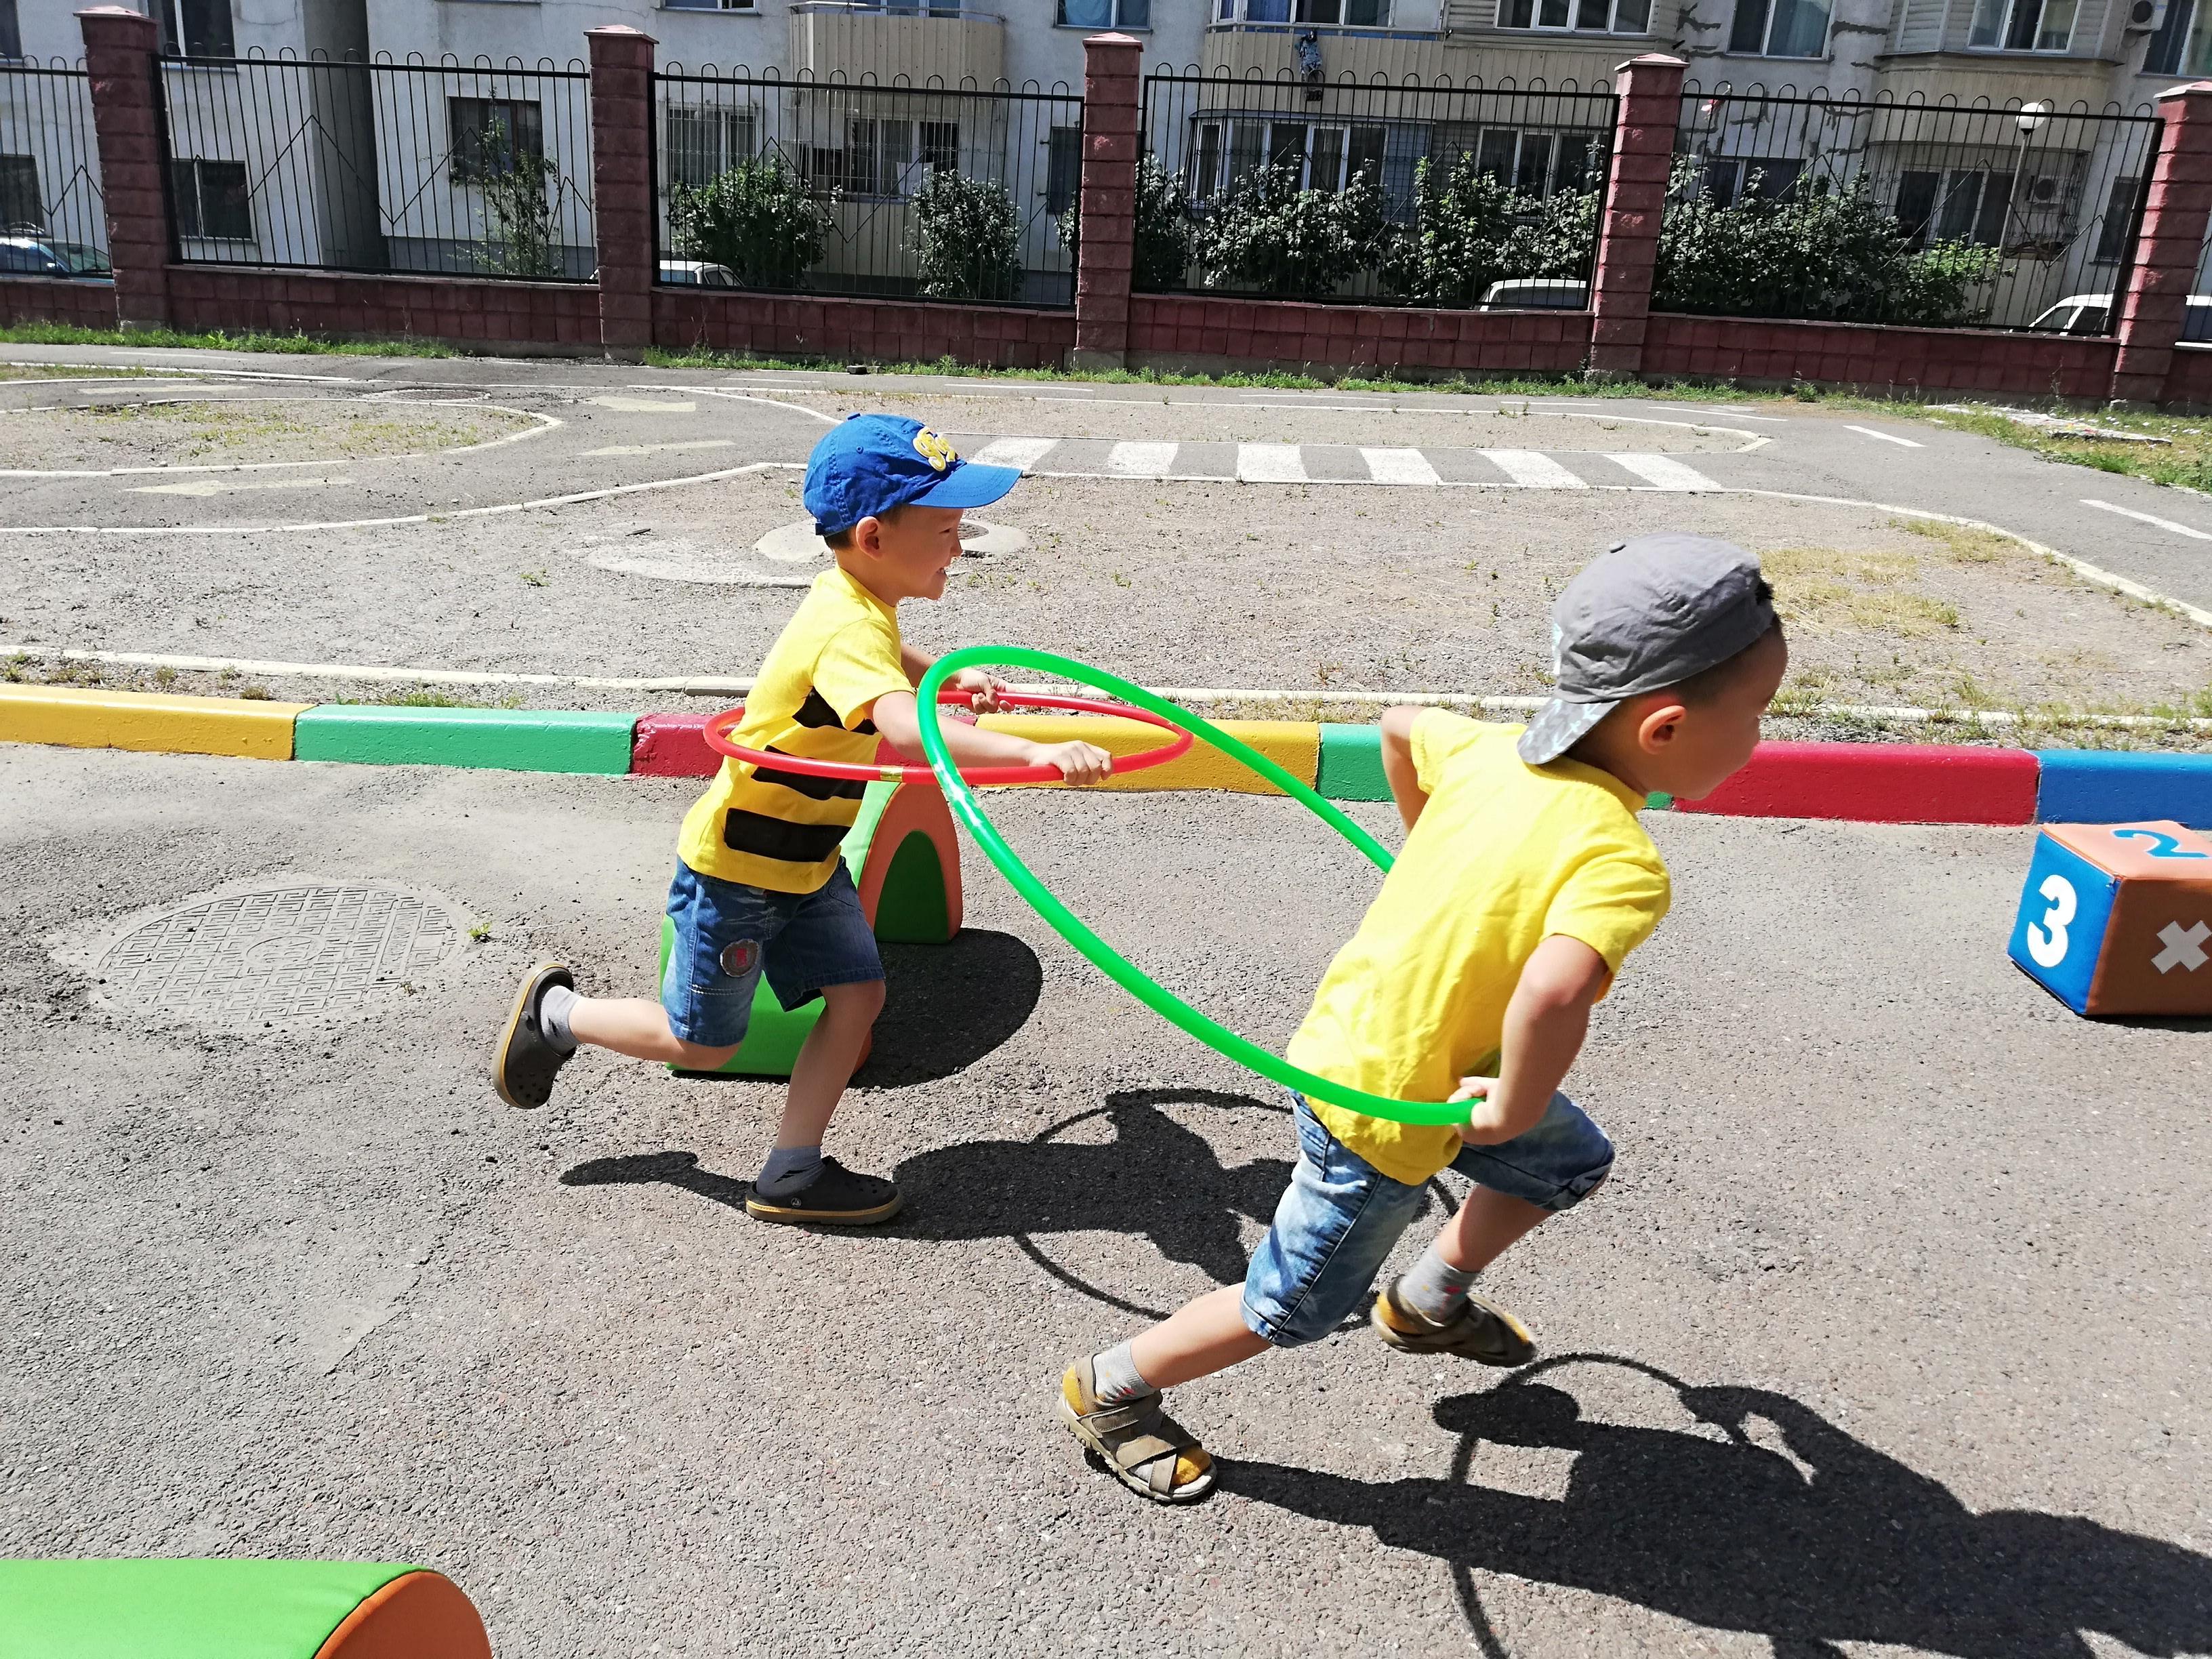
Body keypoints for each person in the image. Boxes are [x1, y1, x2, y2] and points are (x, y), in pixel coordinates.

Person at [1055, 533, 1789, 1504]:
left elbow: (1401, 728)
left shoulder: (1485, 753)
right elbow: (1557, 992)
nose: (1759, 739)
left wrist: (1426, 848)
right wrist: (1510, 1108)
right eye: (1756, 716)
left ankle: (1427, 1299)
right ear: (1661, 730)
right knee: (1293, 1306)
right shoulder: (1618, 860)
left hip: (1396, 1049)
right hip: (1386, 1112)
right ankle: (1109, 1390)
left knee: (1568, 1164)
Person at [491, 415, 1113, 1226]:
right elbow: (900, 724)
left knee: (858, 996)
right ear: (873, 536)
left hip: (812, 861)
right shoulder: (847, 626)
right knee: (705, 1043)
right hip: (741, 873)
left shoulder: (857, 597)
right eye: (947, 530)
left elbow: (887, 659)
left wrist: (947, 678)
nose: (959, 547)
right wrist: (1030, 754)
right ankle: (559, 1018)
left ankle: (791, 1170)